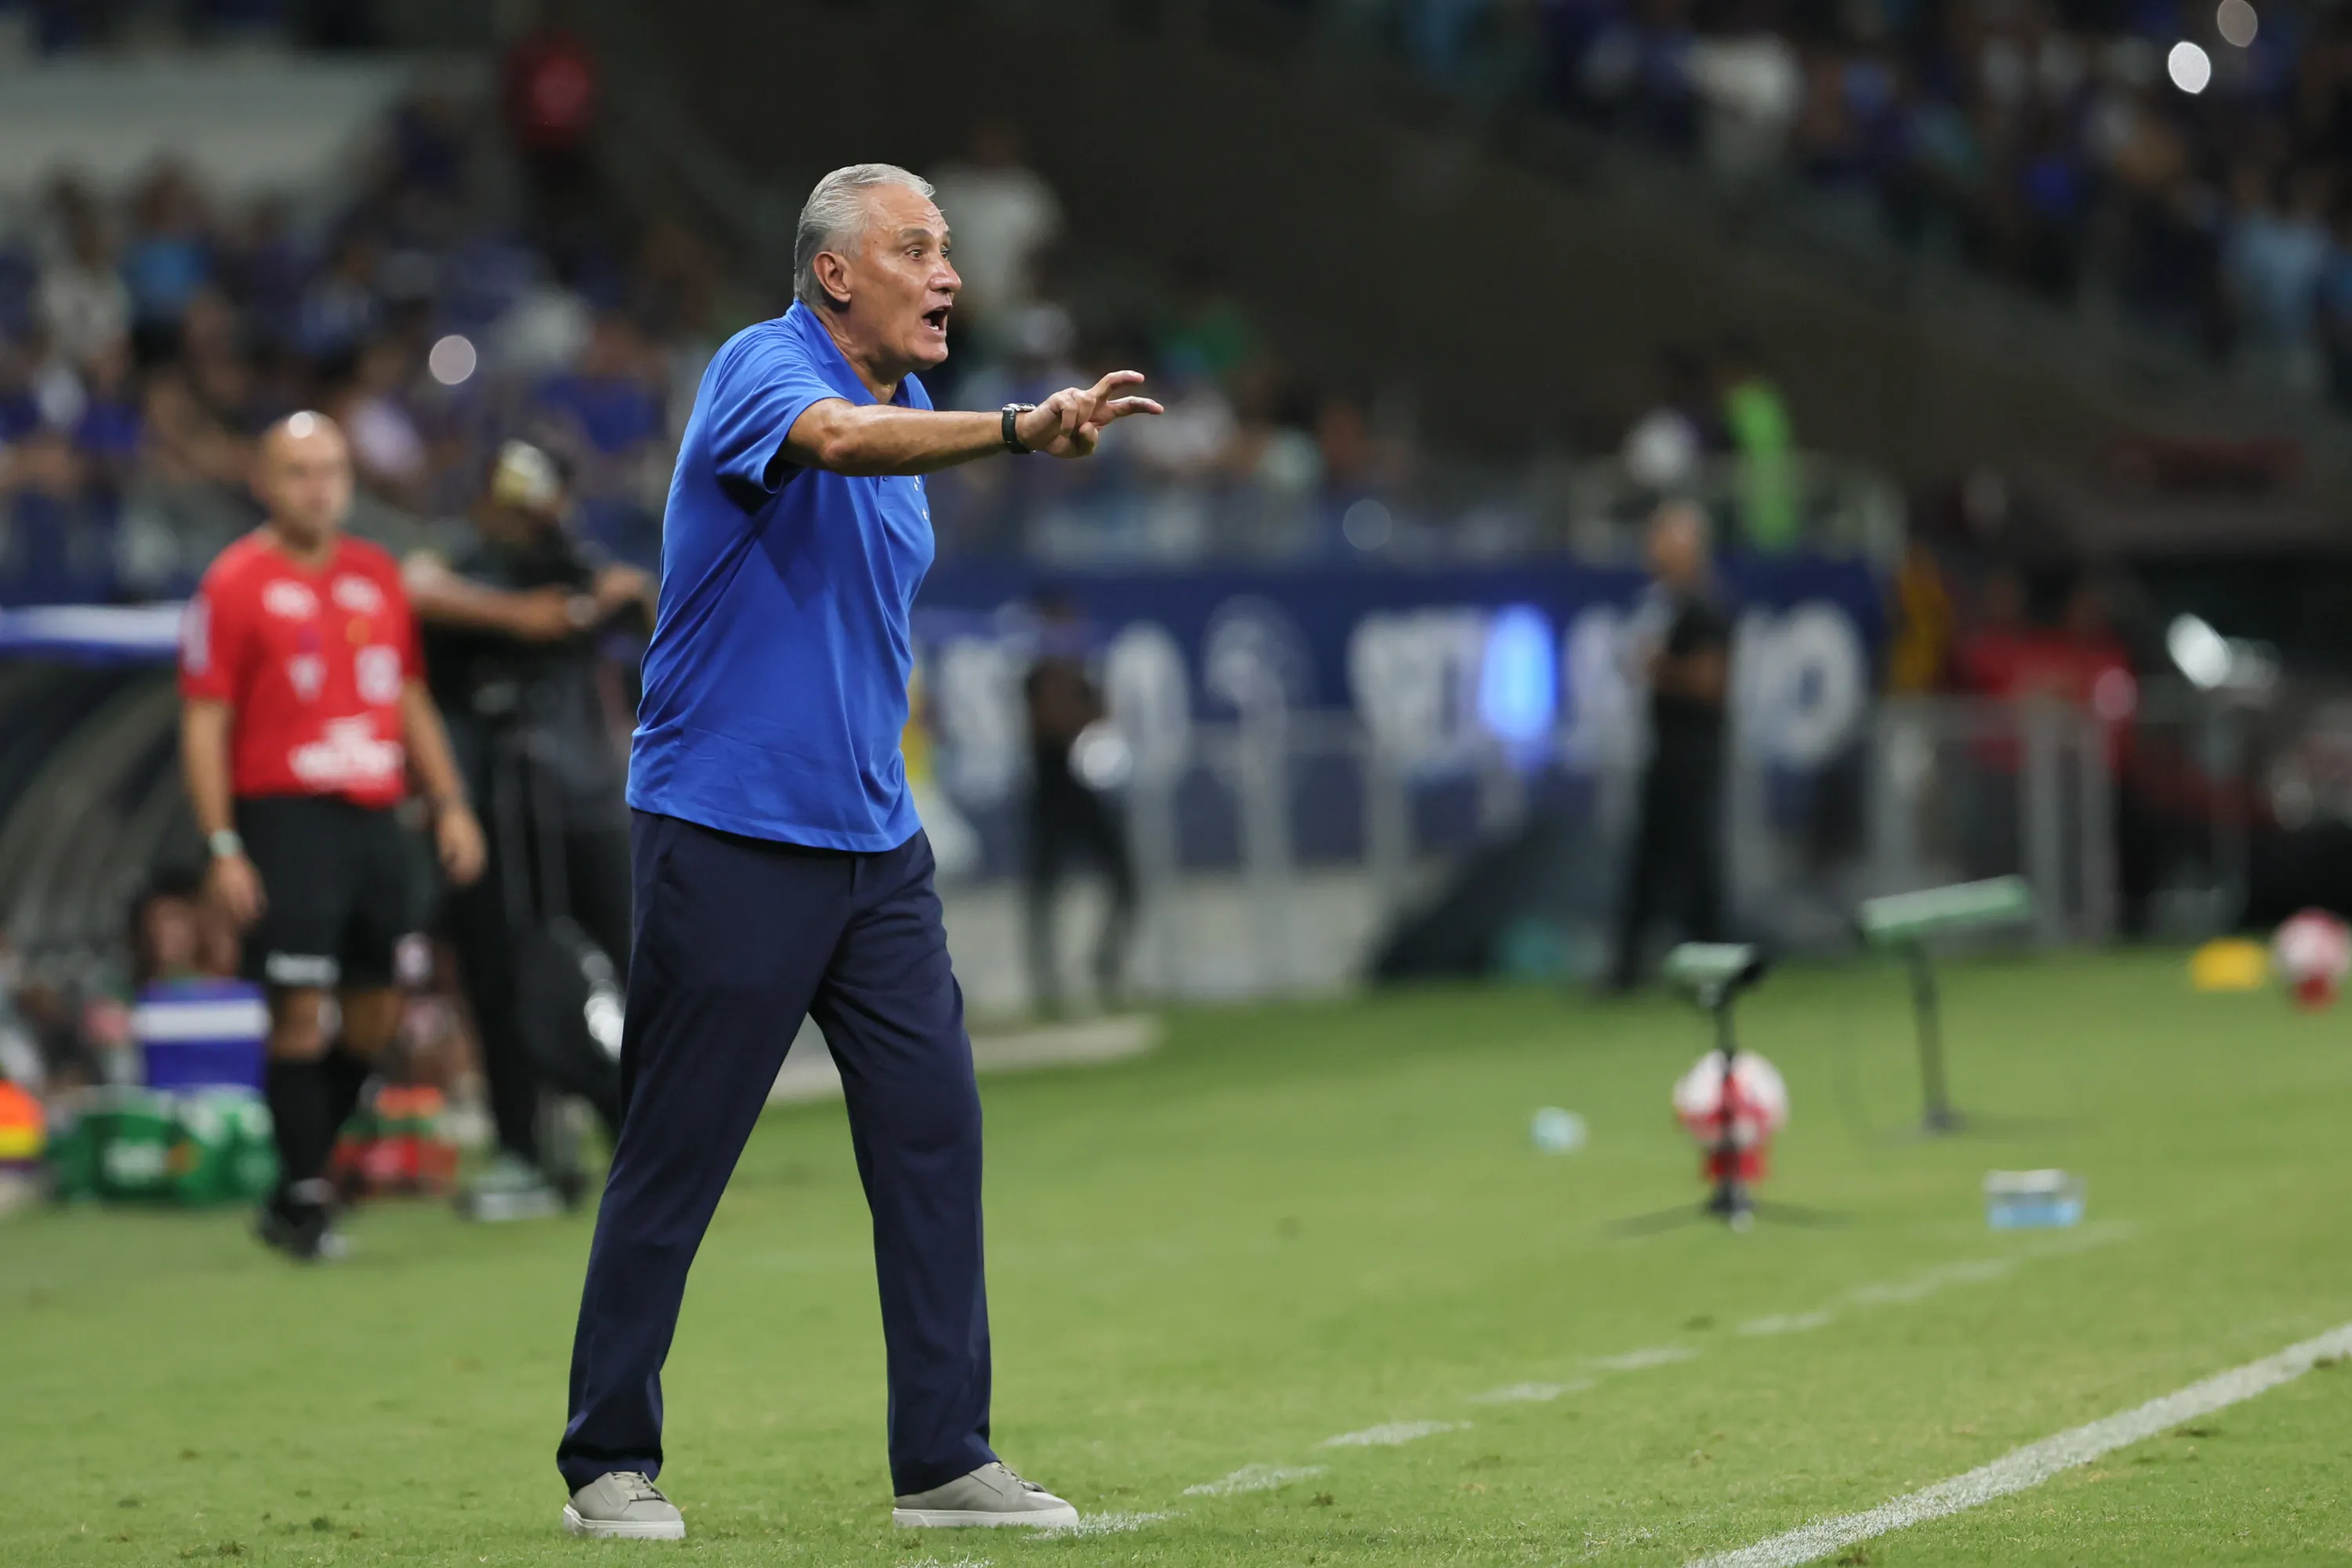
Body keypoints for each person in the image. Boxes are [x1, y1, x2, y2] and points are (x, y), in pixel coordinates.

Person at [554, 163, 1160, 1541]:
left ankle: (946, 1458)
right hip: (727, 828)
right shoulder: (760, 371)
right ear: (836, 272)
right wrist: (1015, 426)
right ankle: (607, 1458)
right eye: (917, 248)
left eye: (950, 248)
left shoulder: (903, 424)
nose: (949, 272)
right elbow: (828, 442)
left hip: (875, 845)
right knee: (678, 1151)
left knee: (935, 1134)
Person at [178, 412, 486, 1261]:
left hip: (377, 815)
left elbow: (410, 696)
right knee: (299, 1014)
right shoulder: (233, 582)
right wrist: (222, 845)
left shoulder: (376, 574)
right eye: (299, 471)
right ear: (265, 482)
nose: (318, 487)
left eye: (331, 470)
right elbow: (206, 718)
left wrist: (451, 799)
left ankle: (295, 1179)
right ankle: (307, 1197)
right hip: (286, 816)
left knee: (375, 1013)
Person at [408, 440, 649, 1220]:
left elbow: (640, 598)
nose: (534, 518)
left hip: (586, 795)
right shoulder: (465, 560)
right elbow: (411, 588)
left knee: (633, 963)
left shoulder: (574, 559)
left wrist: (599, 602)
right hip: (489, 802)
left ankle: (647, 1135)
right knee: (502, 975)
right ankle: (523, 1145)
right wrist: (527, 617)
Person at [1610, 501, 1733, 990]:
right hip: (1665, 753)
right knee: (1649, 864)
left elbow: (1710, 682)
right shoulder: (1662, 605)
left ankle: (1715, 966)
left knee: (1696, 867)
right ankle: (1628, 969)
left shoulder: (1706, 609)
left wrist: (1659, 669)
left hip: (1694, 759)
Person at [1022, 593, 1137, 1014]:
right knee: (1044, 894)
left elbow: (1103, 728)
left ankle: (1106, 964)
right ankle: (1047, 985)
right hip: (1048, 800)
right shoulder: (1034, 680)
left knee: (1125, 877)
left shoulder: (1087, 680)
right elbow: (1050, 726)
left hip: (1087, 798)